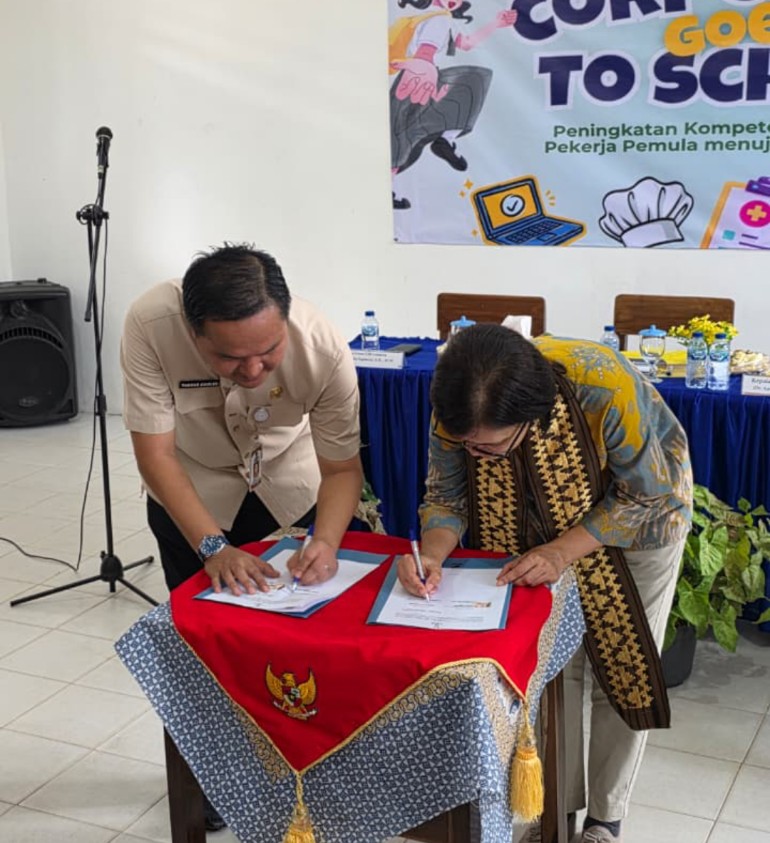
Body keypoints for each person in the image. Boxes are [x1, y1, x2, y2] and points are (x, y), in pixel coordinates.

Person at [398, 324, 692, 843]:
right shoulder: (456, 397)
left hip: (640, 526)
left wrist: (562, 550)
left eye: (489, 448)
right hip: (530, 533)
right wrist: (434, 555)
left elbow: (648, 495)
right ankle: (555, 810)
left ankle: (605, 819)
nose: (477, 457)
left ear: (531, 421)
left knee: (621, 667)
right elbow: (446, 494)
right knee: (553, 671)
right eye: (468, 446)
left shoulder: (604, 386)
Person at [121, 245, 363, 829]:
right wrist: (211, 546)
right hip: (193, 494)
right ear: (192, 331)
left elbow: (342, 469)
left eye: (268, 353)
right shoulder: (150, 325)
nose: (252, 371)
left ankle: (312, 770)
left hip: (289, 486)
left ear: (284, 318)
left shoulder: (323, 347)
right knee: (202, 653)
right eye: (230, 358)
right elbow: (154, 454)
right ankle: (209, 779)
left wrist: (326, 542)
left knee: (305, 648)